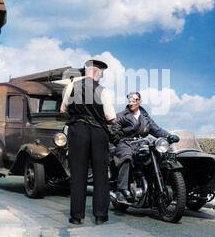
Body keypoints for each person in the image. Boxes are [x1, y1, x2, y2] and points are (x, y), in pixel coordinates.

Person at [60, 59, 116, 225]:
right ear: (97, 72)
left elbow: (63, 110)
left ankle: (77, 217)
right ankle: (100, 216)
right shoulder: (104, 91)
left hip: (77, 131)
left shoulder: (71, 86)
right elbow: (111, 117)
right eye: (102, 74)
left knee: (78, 174)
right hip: (99, 133)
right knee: (100, 174)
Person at [111, 92, 179, 203]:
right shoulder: (121, 116)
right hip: (125, 143)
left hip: (141, 144)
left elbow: (156, 130)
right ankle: (121, 190)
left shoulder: (145, 118)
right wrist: (120, 140)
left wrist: (168, 136)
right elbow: (114, 132)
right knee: (127, 157)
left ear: (139, 101)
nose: (131, 102)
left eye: (134, 99)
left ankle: (153, 187)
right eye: (130, 99)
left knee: (156, 156)